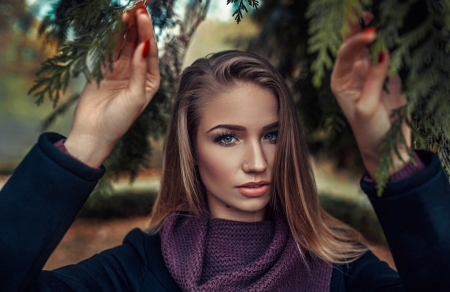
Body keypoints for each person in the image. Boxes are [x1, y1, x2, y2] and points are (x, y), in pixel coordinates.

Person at [0, 5, 449, 292]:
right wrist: (88, 141)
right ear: (191, 149)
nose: (257, 162)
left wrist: (389, 158)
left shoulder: (343, 269)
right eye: (227, 138)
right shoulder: (134, 270)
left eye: (271, 135)